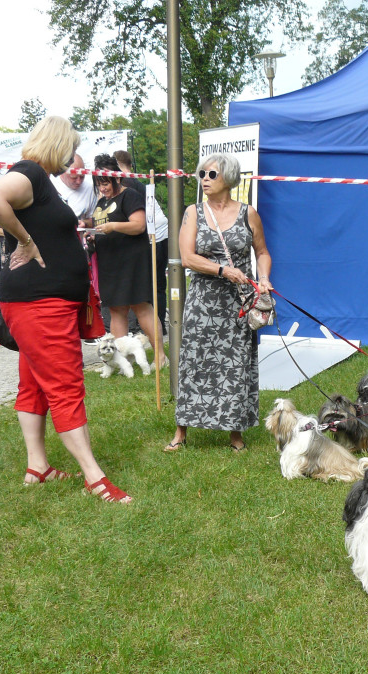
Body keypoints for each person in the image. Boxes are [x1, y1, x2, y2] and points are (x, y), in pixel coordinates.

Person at [0, 115, 132, 503]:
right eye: (70, 148)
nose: (72, 157)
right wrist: (26, 241)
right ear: (58, 144)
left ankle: (38, 467)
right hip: (39, 303)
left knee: (34, 383)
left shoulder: (39, 179)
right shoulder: (29, 172)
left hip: (43, 301)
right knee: (66, 385)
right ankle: (94, 477)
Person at [164, 153, 273, 454]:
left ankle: (235, 433)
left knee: (236, 364)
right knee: (194, 363)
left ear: (228, 177)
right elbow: (187, 257)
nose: (205, 180)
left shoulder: (248, 213)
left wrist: (262, 277)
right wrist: (223, 270)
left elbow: (262, 252)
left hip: (238, 303)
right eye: (201, 174)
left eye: (211, 174)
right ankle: (181, 430)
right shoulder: (193, 212)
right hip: (203, 300)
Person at [89, 153, 160, 346]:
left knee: (141, 307)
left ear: (117, 178)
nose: (103, 188)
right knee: (116, 310)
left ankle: (159, 355)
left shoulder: (130, 195)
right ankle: (121, 357)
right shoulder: (101, 201)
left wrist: (113, 226)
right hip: (109, 262)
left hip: (131, 261)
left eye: (106, 183)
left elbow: (138, 225)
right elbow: (99, 223)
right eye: (99, 184)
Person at [115, 149, 170, 333]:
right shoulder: (138, 182)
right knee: (159, 284)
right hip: (162, 233)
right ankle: (159, 325)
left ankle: (151, 326)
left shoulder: (126, 184)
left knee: (146, 286)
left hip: (152, 236)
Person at [51, 153, 98, 221]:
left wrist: (84, 223)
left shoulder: (90, 189)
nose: (79, 181)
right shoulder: (51, 184)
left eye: (82, 177)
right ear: (63, 172)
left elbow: (95, 220)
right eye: (74, 178)